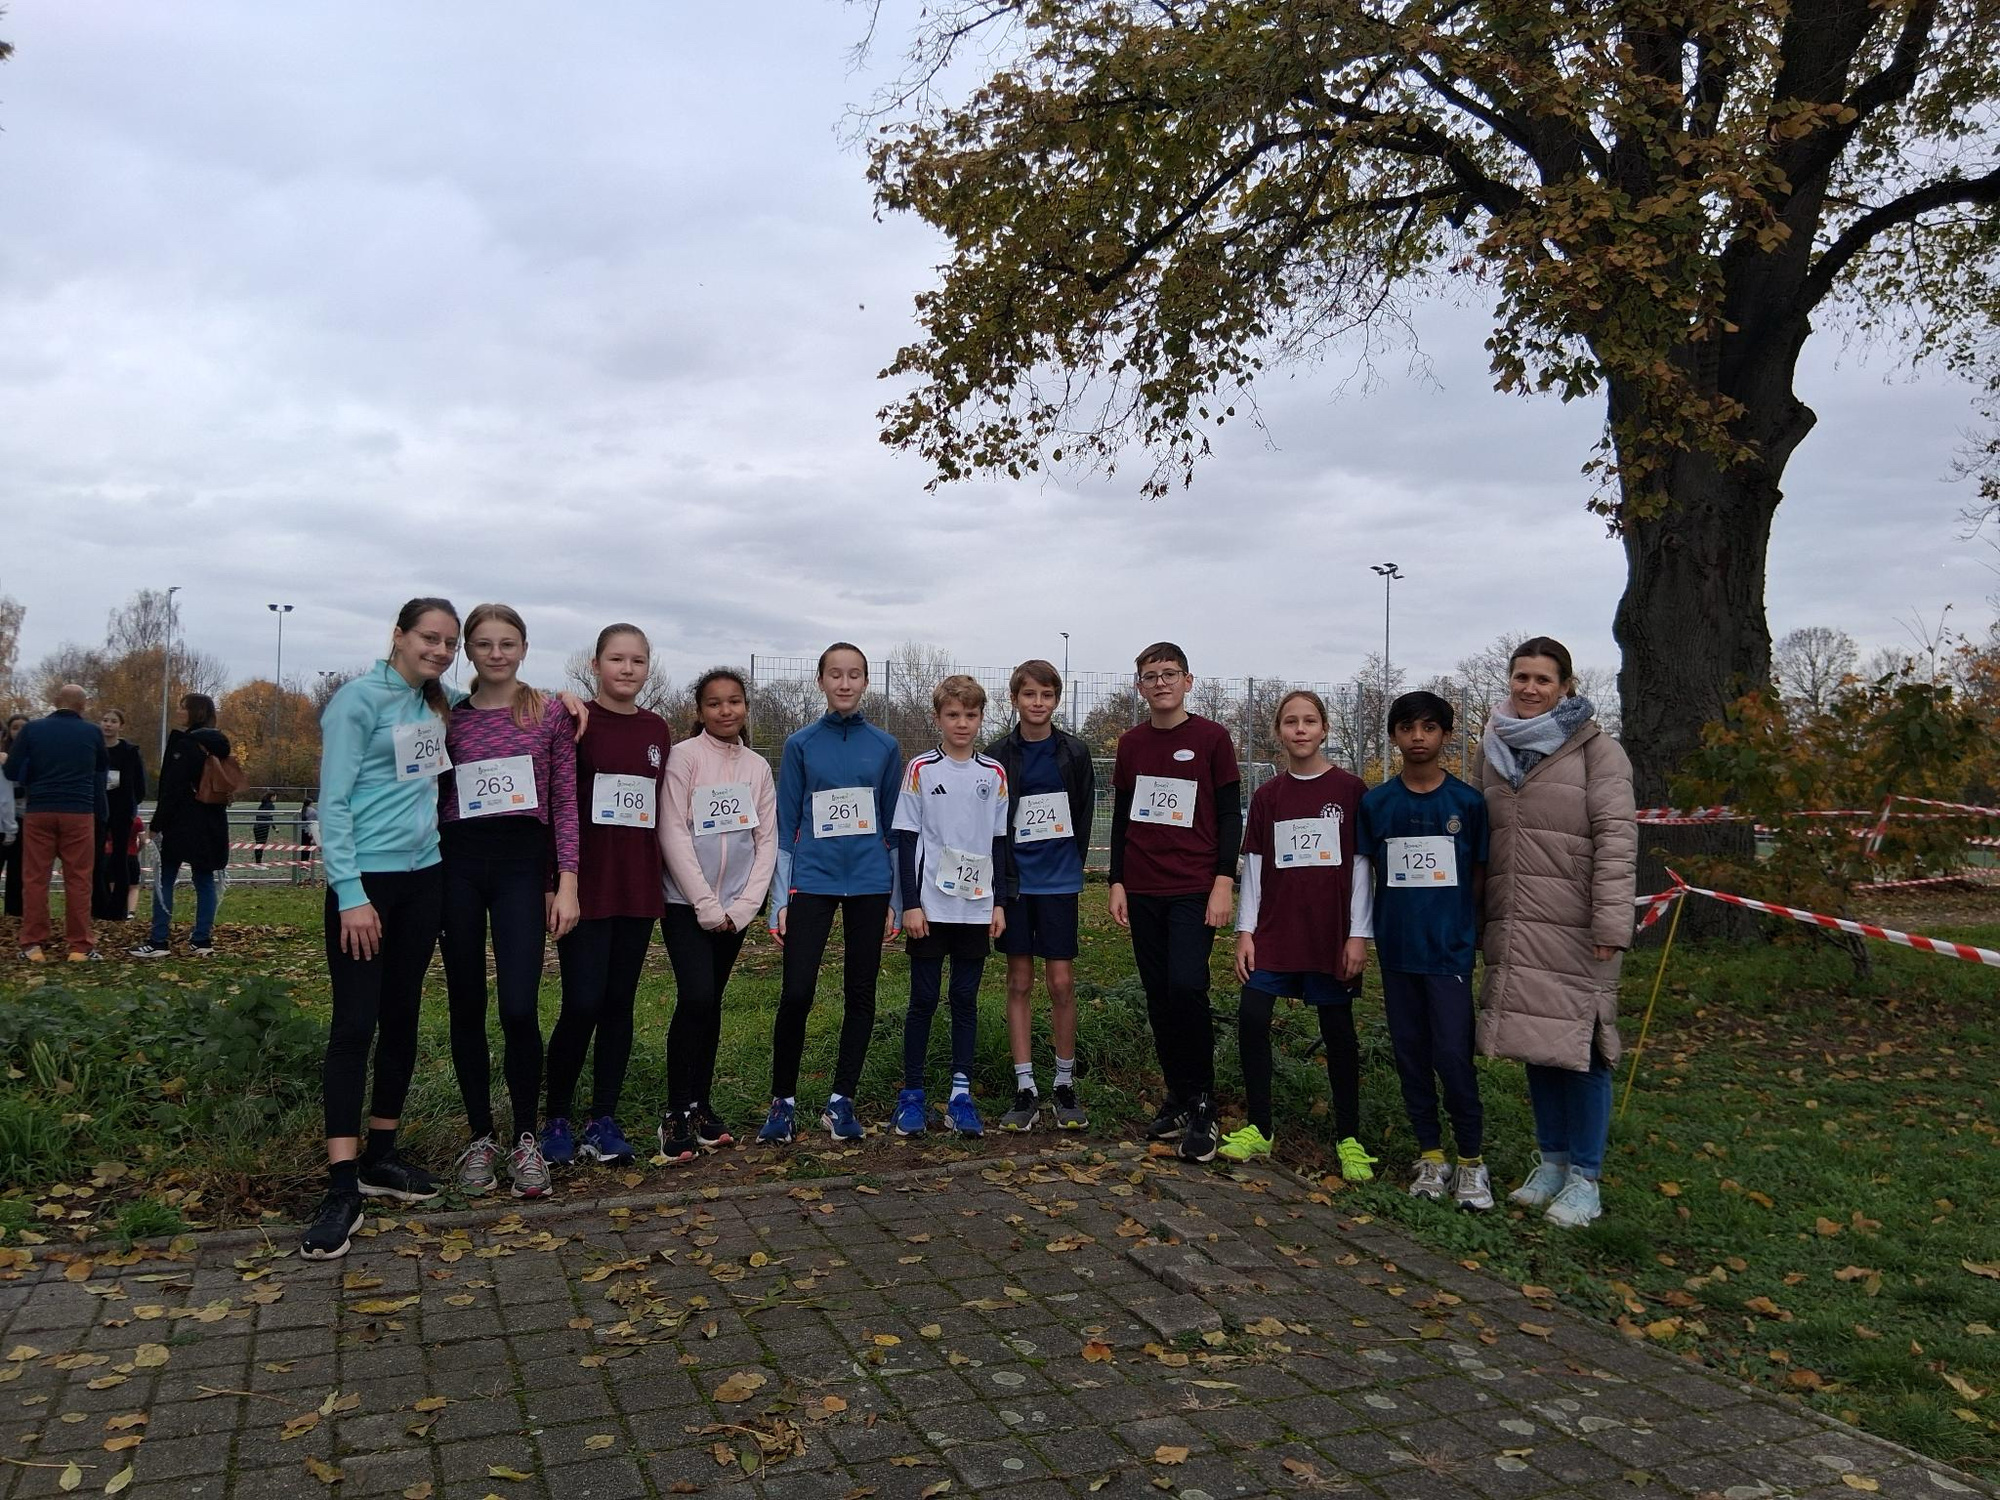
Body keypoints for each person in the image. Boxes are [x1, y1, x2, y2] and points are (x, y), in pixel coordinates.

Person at [300, 598, 460, 1260]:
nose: (441, 650)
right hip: (366, 886)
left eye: (450, 643)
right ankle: (342, 1186)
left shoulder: (435, 702)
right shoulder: (356, 702)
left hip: (426, 881)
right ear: (398, 635)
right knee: (353, 1027)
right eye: (430, 637)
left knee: (401, 1019)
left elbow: (497, 704)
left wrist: (563, 702)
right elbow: (332, 802)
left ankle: (381, 1156)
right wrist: (350, 894)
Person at [1473, 636, 1636, 1229]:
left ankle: (1586, 1180)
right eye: (1521, 677)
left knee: (1585, 1050)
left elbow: (1617, 840)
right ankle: (1552, 1163)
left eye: (1543, 679)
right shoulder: (1492, 751)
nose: (1530, 688)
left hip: (1577, 926)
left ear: (1566, 686)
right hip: (1517, 921)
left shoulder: (1599, 752)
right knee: (1537, 1045)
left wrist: (1611, 922)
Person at [440, 603, 580, 1201]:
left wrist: (567, 882)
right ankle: (480, 1136)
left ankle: (526, 1136)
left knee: (519, 1007)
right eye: (484, 644)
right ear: (467, 651)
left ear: (524, 648)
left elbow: (565, 801)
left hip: (522, 867)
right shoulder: (446, 717)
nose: (496, 654)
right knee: (466, 1004)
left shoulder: (550, 713)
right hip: (458, 865)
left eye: (507, 643)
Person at [759, 642, 903, 1144]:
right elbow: (785, 826)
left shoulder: (885, 746)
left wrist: (895, 901)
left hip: (869, 883)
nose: (845, 683)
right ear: (820, 680)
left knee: (860, 993)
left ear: (865, 682)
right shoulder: (800, 744)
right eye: (835, 674)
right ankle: (782, 1101)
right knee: (797, 991)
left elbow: (893, 827)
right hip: (813, 880)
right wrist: (779, 899)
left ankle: (842, 1100)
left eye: (854, 674)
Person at [1221, 691, 1370, 1170]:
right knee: (1252, 1017)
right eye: (1290, 722)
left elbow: (1361, 867)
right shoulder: (1269, 796)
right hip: (1275, 932)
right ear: (1279, 732)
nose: (1300, 729)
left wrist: (1358, 934)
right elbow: (1254, 868)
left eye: (1309, 721)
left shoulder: (1351, 790)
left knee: (1338, 1031)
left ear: (1324, 728)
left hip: (1330, 934)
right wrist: (1246, 931)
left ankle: (1349, 1138)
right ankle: (1260, 1128)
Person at [542, 625, 673, 1169]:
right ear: (595, 665)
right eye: (616, 659)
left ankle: (603, 1118)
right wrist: (554, 883)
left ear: (647, 668)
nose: (627, 669)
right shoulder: (573, 720)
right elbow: (554, 803)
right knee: (581, 1004)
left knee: (619, 1005)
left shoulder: (657, 729)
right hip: (584, 885)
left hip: (637, 884)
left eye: (637, 661)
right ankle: (555, 1118)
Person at [1355, 691, 1492, 1208]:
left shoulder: (1468, 804)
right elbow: (1368, 873)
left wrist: (1458, 924)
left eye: (1429, 728)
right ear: (1394, 735)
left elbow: (1477, 876)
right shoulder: (1377, 804)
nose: (1418, 737)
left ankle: (1472, 1162)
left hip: (1449, 953)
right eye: (1408, 727)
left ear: (1446, 736)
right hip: (1399, 952)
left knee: (1453, 1055)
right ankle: (1431, 1156)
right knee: (1410, 1055)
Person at [1107, 642, 1240, 1163]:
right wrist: (1117, 880)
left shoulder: (1212, 738)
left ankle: (1203, 1099)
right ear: (1139, 686)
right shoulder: (1131, 743)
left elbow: (1229, 815)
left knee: (1187, 986)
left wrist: (1223, 880)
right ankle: (1178, 1096)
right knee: (1159, 994)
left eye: (1169, 673)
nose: (1160, 682)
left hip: (1192, 885)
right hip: (1143, 887)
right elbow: (1123, 817)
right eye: (1150, 675)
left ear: (1188, 681)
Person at [656, 666, 776, 1160]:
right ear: (700, 710)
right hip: (686, 904)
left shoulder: (757, 767)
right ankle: (674, 1112)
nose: (726, 711)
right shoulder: (683, 757)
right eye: (714, 703)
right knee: (696, 997)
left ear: (745, 706)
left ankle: (701, 1106)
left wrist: (744, 906)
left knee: (712, 1003)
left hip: (735, 911)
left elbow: (766, 839)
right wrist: (705, 904)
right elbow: (672, 831)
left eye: (734, 701)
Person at [892, 675, 1012, 1138]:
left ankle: (961, 1095)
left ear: (981, 718)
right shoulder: (921, 768)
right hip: (930, 907)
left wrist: (998, 903)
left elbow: (999, 842)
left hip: (976, 908)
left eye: (971, 715)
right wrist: (910, 904)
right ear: (938, 718)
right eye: (953, 715)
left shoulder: (994, 772)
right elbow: (906, 838)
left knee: (964, 999)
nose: (962, 723)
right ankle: (912, 1095)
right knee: (923, 1000)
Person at [986, 660, 1095, 1133]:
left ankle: (1064, 1084)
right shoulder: (997, 754)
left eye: (1046, 695)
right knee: (1019, 980)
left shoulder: (1074, 752)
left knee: (1061, 982)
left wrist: (1072, 864)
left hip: (1058, 882)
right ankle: (1025, 1086)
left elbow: (1084, 813)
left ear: (1056, 700)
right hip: (1015, 883)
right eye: (1029, 694)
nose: (1038, 702)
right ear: (1014, 699)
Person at [5, 685, 110, 962]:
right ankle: (79, 947)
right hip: (79, 810)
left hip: (39, 809)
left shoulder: (32, 729)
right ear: (83, 705)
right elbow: (101, 767)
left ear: (54, 701)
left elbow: (12, 770)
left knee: (35, 878)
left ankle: (32, 945)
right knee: (78, 878)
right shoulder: (92, 732)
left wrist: (32, 774)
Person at [131, 695, 231, 959]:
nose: (178, 711)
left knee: (165, 878)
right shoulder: (219, 745)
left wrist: (156, 825)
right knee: (204, 880)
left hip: (181, 823)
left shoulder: (183, 745)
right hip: (211, 822)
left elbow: (171, 789)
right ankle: (202, 939)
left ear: (194, 712)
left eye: (182, 707)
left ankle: (159, 940)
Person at [93, 708, 146, 923]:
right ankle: (98, 906)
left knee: (120, 859)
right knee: (96, 859)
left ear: (120, 726)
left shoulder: (129, 751)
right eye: (105, 720)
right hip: (97, 811)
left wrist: (130, 806)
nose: (108, 724)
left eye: (113, 721)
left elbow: (139, 785)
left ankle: (119, 909)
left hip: (121, 812)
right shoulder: (95, 749)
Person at [1, 713, 26, 920]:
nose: (19, 732)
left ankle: (14, 913)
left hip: (26, 818)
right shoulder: (4, 756)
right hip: (5, 819)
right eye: (15, 727)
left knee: (18, 871)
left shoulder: (34, 754)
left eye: (23, 727)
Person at [253, 793, 276, 864]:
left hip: (257, 826)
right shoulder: (271, 805)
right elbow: (270, 817)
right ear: (272, 797)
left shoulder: (262, 804)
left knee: (258, 844)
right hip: (263, 827)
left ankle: (258, 862)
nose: (276, 798)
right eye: (275, 796)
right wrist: (274, 827)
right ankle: (258, 863)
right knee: (261, 845)